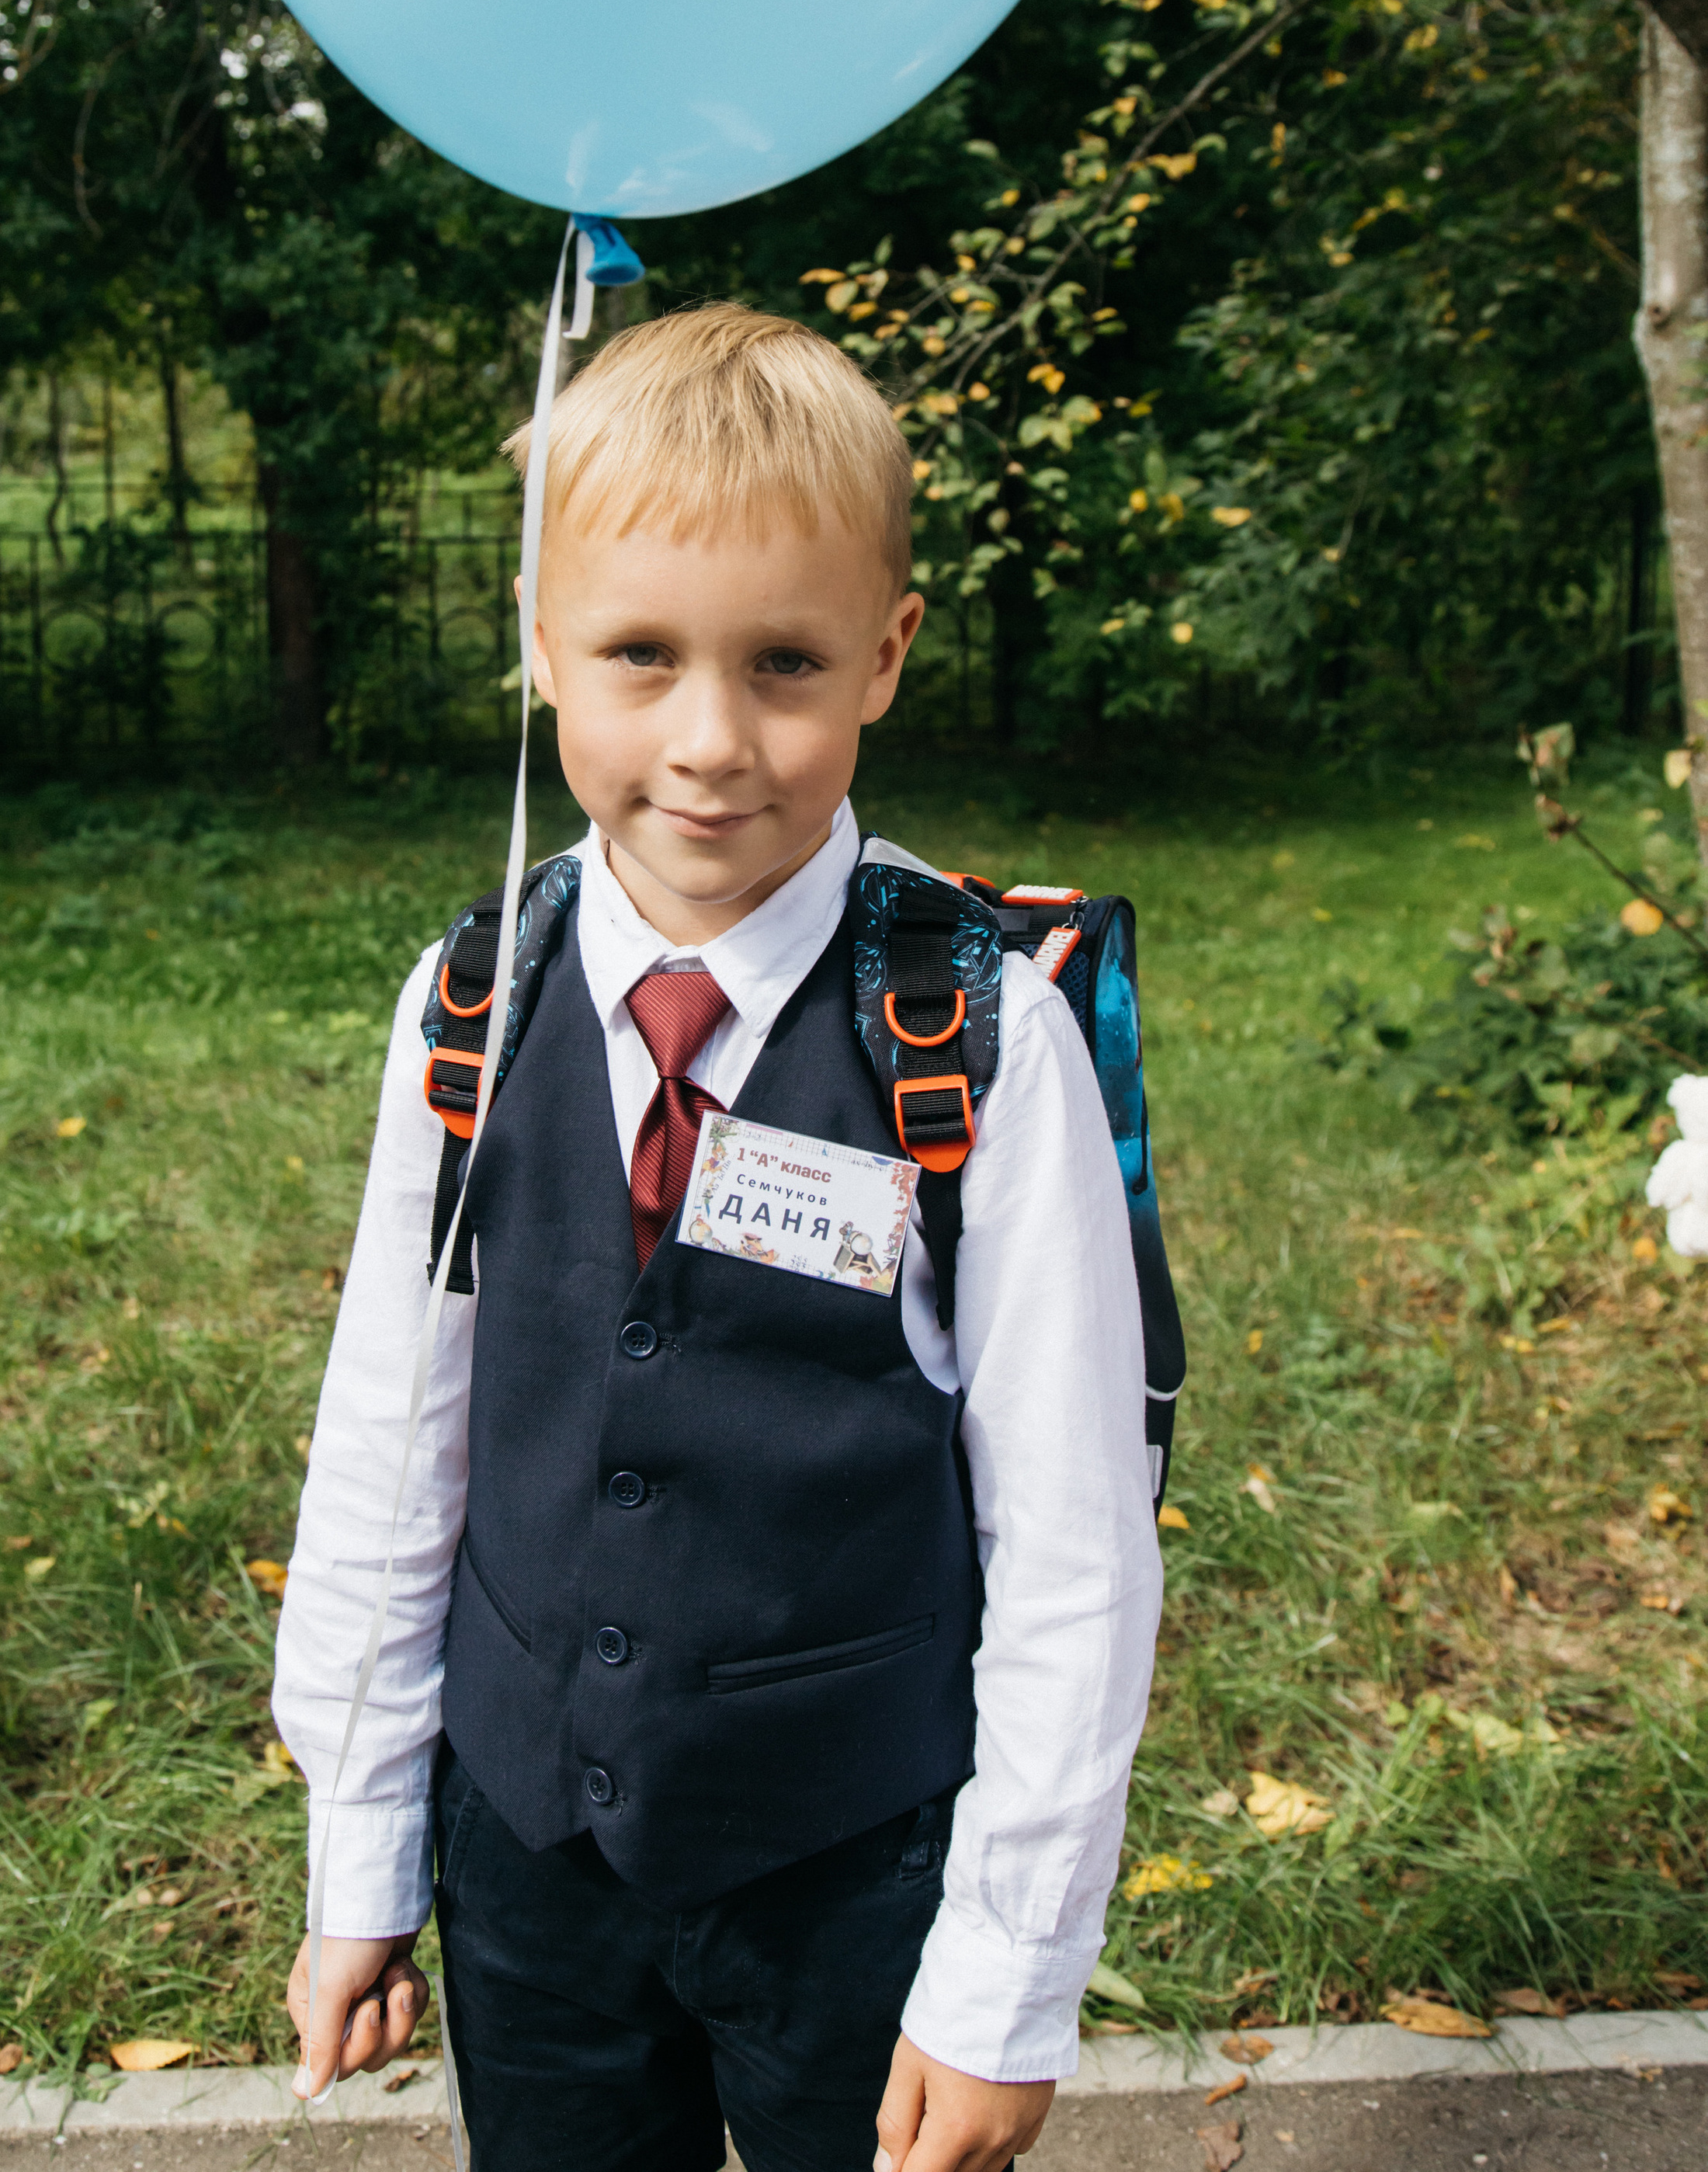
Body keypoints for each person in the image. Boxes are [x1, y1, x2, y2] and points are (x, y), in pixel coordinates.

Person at [272, 305, 1162, 2172]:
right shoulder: (470, 1002)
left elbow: (1072, 1548)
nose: (708, 742)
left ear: (883, 656)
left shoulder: (976, 1041)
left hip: (853, 1872)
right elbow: (391, 1436)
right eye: (638, 654)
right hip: (528, 1864)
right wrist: (359, 1854)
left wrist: (1002, 1983)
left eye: (782, 663)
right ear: (540, 644)